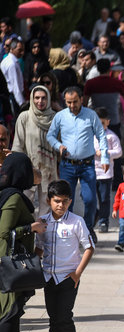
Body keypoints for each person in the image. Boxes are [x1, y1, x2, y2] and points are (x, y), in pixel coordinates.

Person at [35, 179, 95, 332]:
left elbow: (89, 248)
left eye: (65, 201)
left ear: (70, 201)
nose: (61, 205)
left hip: (68, 279)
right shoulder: (43, 221)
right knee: (53, 321)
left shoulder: (77, 221)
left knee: (65, 319)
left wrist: (77, 273)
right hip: (49, 278)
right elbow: (40, 248)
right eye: (57, 201)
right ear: (49, 200)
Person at [0, 153, 47, 332]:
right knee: (9, 313)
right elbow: (3, 232)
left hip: (6, 265)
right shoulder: (14, 199)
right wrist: (32, 228)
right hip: (8, 268)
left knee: (9, 312)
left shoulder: (8, 194)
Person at [46, 86, 109, 241]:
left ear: (82, 99)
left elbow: (101, 135)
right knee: (66, 199)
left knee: (90, 199)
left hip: (87, 165)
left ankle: (88, 229)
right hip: (67, 165)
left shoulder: (91, 115)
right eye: (68, 102)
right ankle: (69, 230)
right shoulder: (60, 116)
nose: (72, 105)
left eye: (75, 102)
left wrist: (105, 157)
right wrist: (58, 146)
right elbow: (50, 135)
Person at [12, 85, 57, 214]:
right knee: (26, 202)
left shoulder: (55, 118)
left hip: (49, 168)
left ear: (48, 99)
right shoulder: (24, 117)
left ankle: (44, 234)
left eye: (43, 98)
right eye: (36, 98)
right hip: (28, 167)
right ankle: (29, 232)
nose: (40, 101)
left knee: (47, 204)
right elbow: (18, 145)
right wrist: (20, 168)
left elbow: (60, 143)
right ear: (32, 99)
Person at [93, 107, 122, 233]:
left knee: (104, 199)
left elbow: (119, 152)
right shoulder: (90, 135)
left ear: (108, 122)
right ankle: (95, 214)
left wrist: (105, 153)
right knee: (88, 197)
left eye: (102, 123)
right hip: (91, 172)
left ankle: (104, 221)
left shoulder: (111, 136)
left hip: (105, 174)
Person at [0, 38, 25, 106]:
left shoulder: (9, 61)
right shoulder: (11, 64)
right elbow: (15, 86)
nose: (22, 52)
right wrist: (21, 103)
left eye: (23, 50)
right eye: (19, 50)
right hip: (14, 97)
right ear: (12, 49)